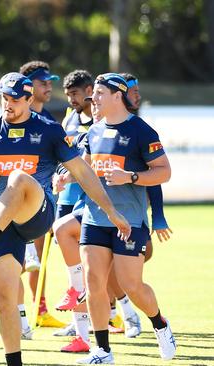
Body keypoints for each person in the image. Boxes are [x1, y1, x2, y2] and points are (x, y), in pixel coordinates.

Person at [0, 72, 130, 366]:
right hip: (2, 222)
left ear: (29, 100)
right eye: (3, 99)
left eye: (14, 100)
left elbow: (84, 173)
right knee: (3, 300)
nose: (7, 104)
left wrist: (111, 210)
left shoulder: (48, 130)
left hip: (38, 211)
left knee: (19, 177)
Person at [77, 73, 175, 364]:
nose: (93, 99)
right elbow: (84, 172)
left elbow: (164, 172)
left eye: (99, 93)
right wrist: (64, 177)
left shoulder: (141, 131)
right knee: (94, 282)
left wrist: (130, 176)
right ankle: (102, 351)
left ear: (117, 96)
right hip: (94, 218)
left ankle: (160, 324)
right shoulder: (92, 132)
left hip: (130, 221)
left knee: (131, 285)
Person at [17, 60, 66, 330]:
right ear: (28, 86)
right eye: (42, 82)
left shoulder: (48, 121)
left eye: (50, 82)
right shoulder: (12, 117)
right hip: (16, 202)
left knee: (39, 257)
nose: (48, 87)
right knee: (16, 262)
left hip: (44, 201)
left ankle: (39, 309)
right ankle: (20, 312)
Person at [50, 70, 95, 353]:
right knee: (75, 270)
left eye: (75, 94)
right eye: (68, 95)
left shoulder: (103, 122)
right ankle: (82, 333)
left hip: (94, 201)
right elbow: (62, 154)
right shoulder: (69, 119)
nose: (72, 100)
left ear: (90, 91)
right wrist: (59, 175)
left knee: (100, 269)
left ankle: (124, 314)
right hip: (69, 199)